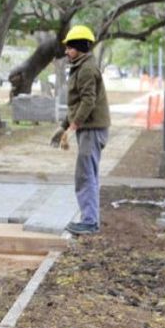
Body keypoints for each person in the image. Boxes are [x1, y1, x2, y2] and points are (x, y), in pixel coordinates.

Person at [51, 25, 110, 235]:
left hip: (92, 129)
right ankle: (90, 219)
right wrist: (63, 127)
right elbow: (76, 104)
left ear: (80, 47)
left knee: (85, 175)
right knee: (88, 174)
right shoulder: (81, 66)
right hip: (90, 129)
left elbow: (88, 101)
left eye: (70, 48)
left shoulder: (86, 69)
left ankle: (89, 222)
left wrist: (73, 127)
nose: (66, 51)